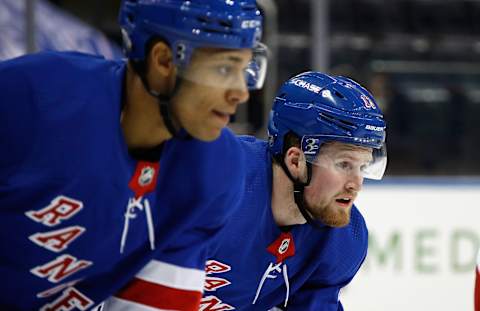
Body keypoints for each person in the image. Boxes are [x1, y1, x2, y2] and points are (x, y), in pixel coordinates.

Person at [0, 0, 267, 310]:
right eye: (224, 68)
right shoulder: (39, 96)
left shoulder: (216, 172)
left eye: (246, 68)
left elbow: (153, 303)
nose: (241, 92)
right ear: (164, 60)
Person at [200, 71, 387, 310]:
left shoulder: (343, 240)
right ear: (296, 160)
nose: (356, 183)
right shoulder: (217, 180)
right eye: (344, 164)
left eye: (363, 167)